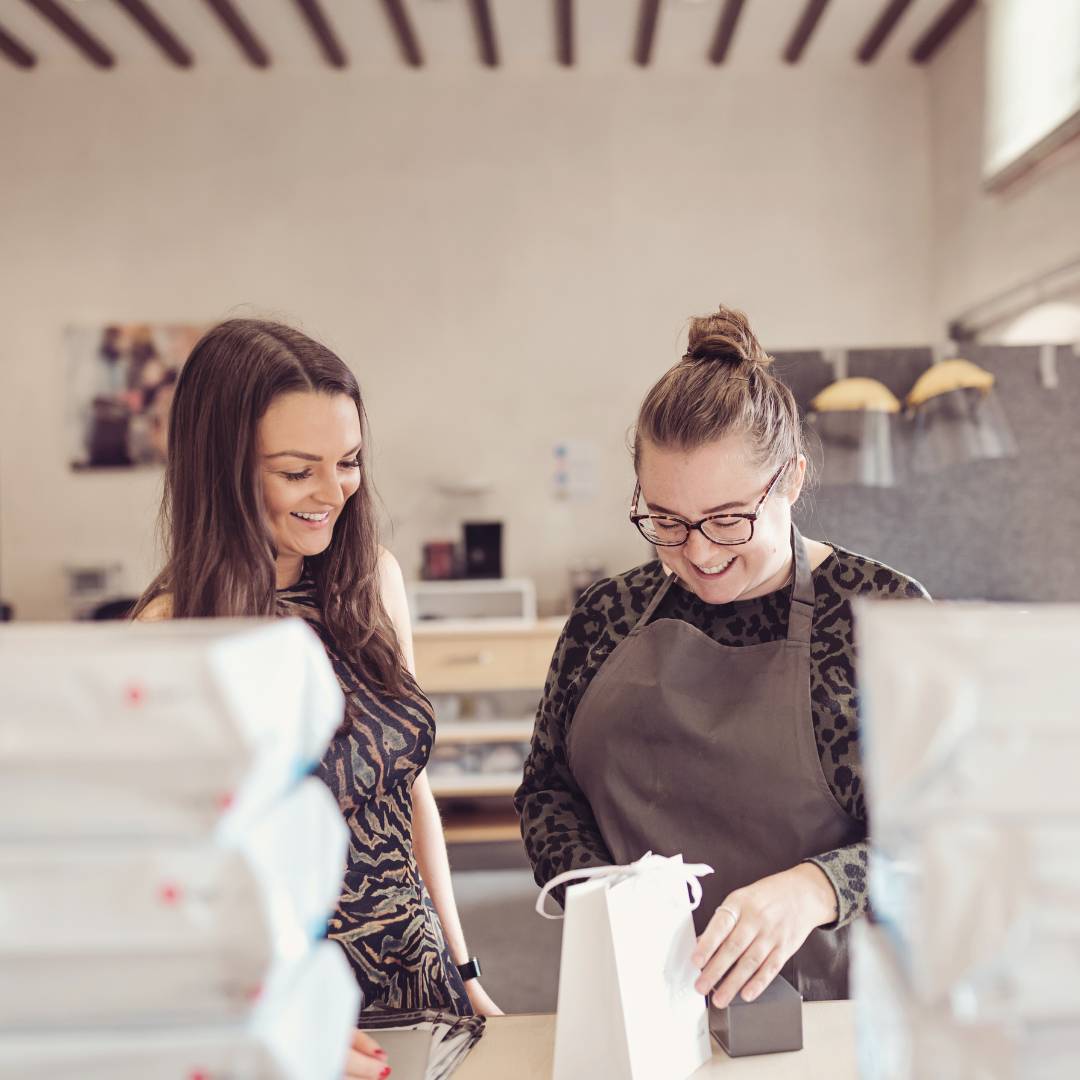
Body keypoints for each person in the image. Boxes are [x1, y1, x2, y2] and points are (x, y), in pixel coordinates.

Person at [515, 305, 928, 1008]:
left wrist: (817, 887)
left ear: (792, 481)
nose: (699, 553)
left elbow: (952, 836)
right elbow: (548, 792)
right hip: (639, 1000)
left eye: (728, 519)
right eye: (666, 522)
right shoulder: (607, 618)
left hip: (836, 1011)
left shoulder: (883, 617)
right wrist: (603, 898)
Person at [133, 319, 499, 1080]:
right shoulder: (172, 632)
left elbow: (411, 797)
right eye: (298, 471)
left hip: (421, 975)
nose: (333, 493)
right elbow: (169, 884)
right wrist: (281, 1026)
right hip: (292, 1008)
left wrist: (465, 973)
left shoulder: (373, 581)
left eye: (349, 461)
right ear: (222, 469)